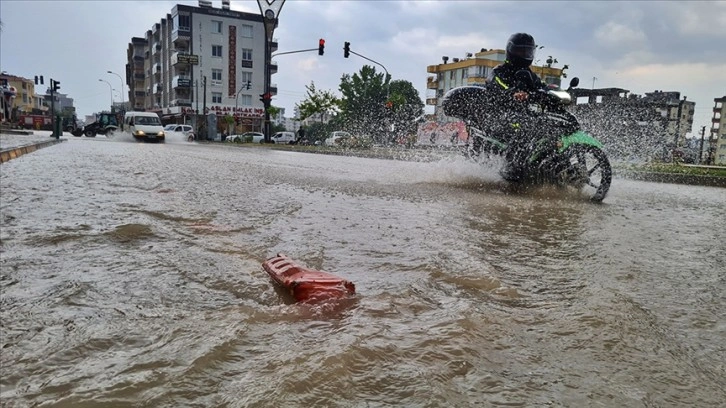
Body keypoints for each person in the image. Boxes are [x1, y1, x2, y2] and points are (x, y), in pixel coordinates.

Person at [486, 32, 550, 180]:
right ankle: (512, 168)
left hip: (523, 114)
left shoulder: (530, 75)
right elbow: (498, 85)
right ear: (511, 50)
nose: (524, 54)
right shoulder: (499, 71)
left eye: (528, 51)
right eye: (521, 51)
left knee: (545, 124)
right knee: (523, 125)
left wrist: (552, 93)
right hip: (498, 115)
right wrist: (513, 93)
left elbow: (542, 87)